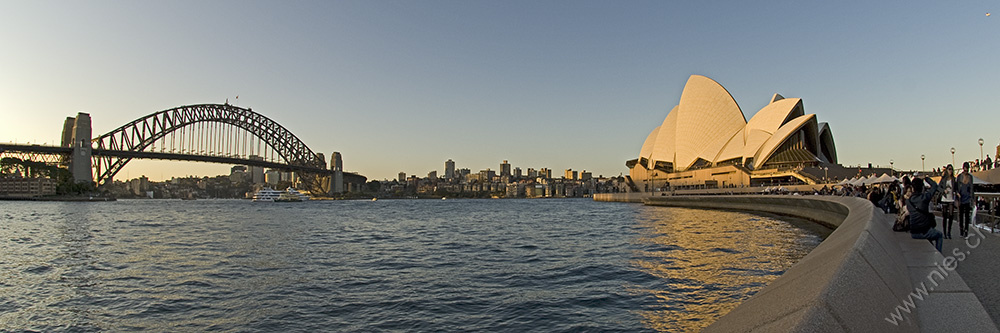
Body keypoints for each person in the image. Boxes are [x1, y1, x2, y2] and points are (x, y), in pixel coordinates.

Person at [908, 176, 943, 252]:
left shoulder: (908, 201)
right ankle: (939, 255)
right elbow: (934, 186)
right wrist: (926, 178)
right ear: (922, 188)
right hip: (924, 231)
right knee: (939, 235)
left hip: (913, 232)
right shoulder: (925, 198)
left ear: (912, 188)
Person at [956, 162, 976, 239]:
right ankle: (961, 231)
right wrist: (957, 195)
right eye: (965, 168)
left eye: (967, 168)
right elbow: (957, 188)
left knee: (967, 216)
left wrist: (973, 199)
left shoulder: (970, 177)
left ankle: (966, 231)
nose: (966, 170)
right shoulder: (959, 177)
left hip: (967, 198)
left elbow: (972, 188)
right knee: (961, 215)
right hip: (961, 198)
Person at [939, 165, 957, 239]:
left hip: (951, 198)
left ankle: (949, 232)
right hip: (945, 198)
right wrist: (943, 190)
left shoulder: (953, 179)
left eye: (951, 169)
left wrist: (956, 192)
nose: (950, 171)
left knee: (951, 215)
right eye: (949, 169)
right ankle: (944, 233)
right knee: (944, 216)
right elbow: (939, 187)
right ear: (946, 170)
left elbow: (956, 187)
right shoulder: (943, 179)